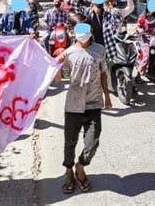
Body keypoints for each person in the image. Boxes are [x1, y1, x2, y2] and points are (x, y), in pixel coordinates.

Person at [54, 23, 112, 194]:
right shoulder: (69, 53)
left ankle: (81, 166)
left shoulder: (99, 49)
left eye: (86, 34)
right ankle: (68, 171)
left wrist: (107, 96)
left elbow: (102, 73)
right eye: (81, 34)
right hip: (73, 105)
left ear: (91, 33)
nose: (84, 38)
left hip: (94, 103)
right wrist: (57, 64)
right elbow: (58, 79)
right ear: (74, 34)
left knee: (92, 141)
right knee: (69, 143)